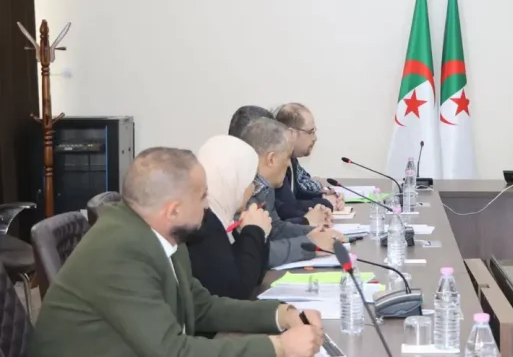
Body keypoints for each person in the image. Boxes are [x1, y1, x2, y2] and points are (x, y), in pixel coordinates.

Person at [29, 147, 323, 357]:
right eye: (202, 196)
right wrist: (278, 347)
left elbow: (201, 306)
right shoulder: (120, 253)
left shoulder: (164, 235)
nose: (207, 205)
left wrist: (281, 315)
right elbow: (172, 351)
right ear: (173, 211)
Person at [238, 117, 341, 268]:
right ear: (271, 159)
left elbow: (276, 229)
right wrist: (310, 243)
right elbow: (255, 253)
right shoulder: (240, 193)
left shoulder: (265, 187)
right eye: (287, 157)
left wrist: (317, 232)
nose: (288, 165)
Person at [186, 134, 272, 300]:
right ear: (234, 180)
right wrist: (254, 231)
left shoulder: (222, 217)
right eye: (250, 181)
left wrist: (260, 232)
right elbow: (236, 291)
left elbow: (255, 278)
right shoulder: (202, 222)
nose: (253, 190)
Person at [273, 103, 345, 222]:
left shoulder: (291, 158)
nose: (315, 138)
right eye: (310, 132)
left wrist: (325, 196)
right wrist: (325, 203)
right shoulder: (277, 162)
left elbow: (297, 194)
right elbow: (288, 209)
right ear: (291, 133)